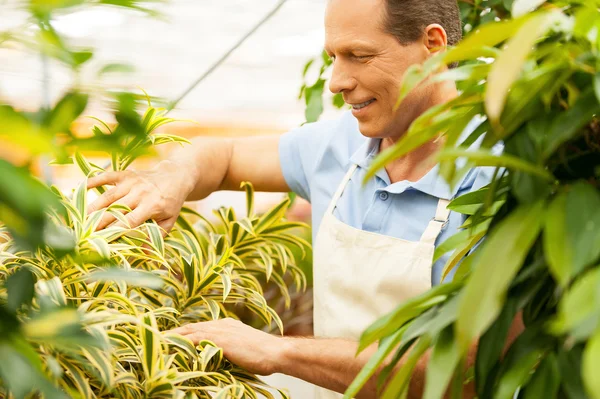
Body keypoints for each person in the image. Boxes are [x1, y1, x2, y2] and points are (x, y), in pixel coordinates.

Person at [87, 0, 522, 397]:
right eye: (333, 57)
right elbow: (223, 156)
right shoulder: (337, 147)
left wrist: (277, 352)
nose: (336, 82)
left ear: (433, 45)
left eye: (360, 55)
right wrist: (168, 182)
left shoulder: (503, 175)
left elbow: (465, 367)